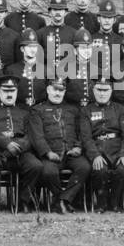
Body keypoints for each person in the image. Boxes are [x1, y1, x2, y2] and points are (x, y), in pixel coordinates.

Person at [28, 78, 91, 214]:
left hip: (71, 153)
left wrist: (78, 147)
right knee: (48, 172)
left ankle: (63, 200)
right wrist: (47, 152)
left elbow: (82, 132)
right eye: (55, 90)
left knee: (84, 167)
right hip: (50, 154)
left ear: (64, 92)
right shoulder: (37, 110)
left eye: (61, 90)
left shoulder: (73, 110)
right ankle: (61, 199)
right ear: (48, 90)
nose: (57, 93)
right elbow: (37, 136)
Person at [0, 75, 40, 214]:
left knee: (36, 166)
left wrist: (18, 146)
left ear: (17, 92)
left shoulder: (25, 111)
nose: (9, 94)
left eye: (12, 91)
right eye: (5, 91)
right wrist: (6, 144)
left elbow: (31, 135)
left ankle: (23, 201)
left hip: (20, 152)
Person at [82, 77, 124, 214]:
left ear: (111, 91)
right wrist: (95, 156)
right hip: (98, 148)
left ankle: (115, 203)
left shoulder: (120, 109)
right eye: (99, 90)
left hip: (117, 149)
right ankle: (101, 204)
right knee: (100, 170)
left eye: (106, 90)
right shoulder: (86, 111)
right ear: (93, 90)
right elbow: (86, 137)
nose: (102, 93)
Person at [6, 28, 49, 107]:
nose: (32, 50)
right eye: (29, 46)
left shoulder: (46, 70)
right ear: (22, 49)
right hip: (19, 110)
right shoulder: (11, 70)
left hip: (40, 110)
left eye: (35, 46)